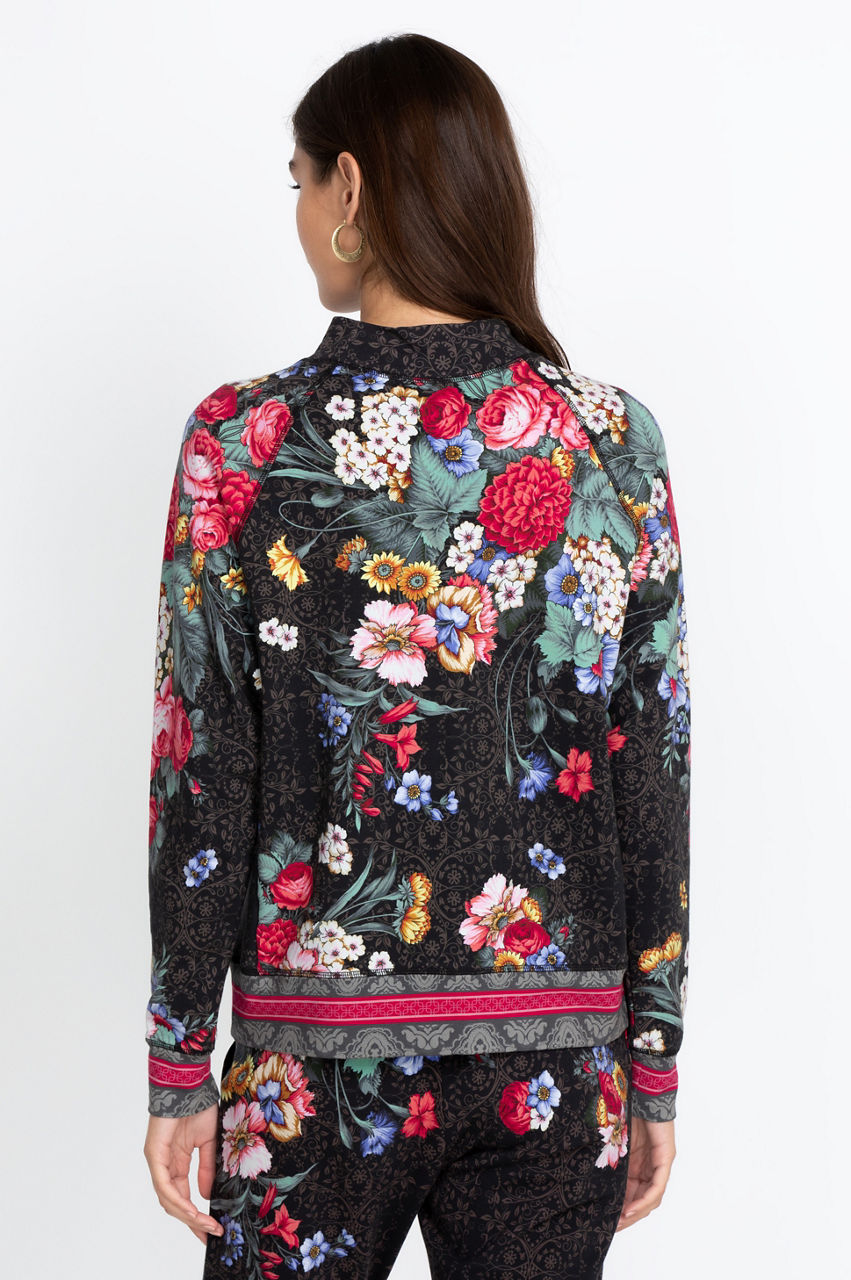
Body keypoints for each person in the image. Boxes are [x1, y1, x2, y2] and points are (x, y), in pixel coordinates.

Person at [143, 31, 691, 1280]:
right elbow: (649, 765)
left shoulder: (243, 442)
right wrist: (651, 1055)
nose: (297, 212)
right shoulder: (611, 442)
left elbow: (201, 770)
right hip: (558, 1064)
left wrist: (180, 1059)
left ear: (349, 186)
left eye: (297, 181)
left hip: (309, 1069)